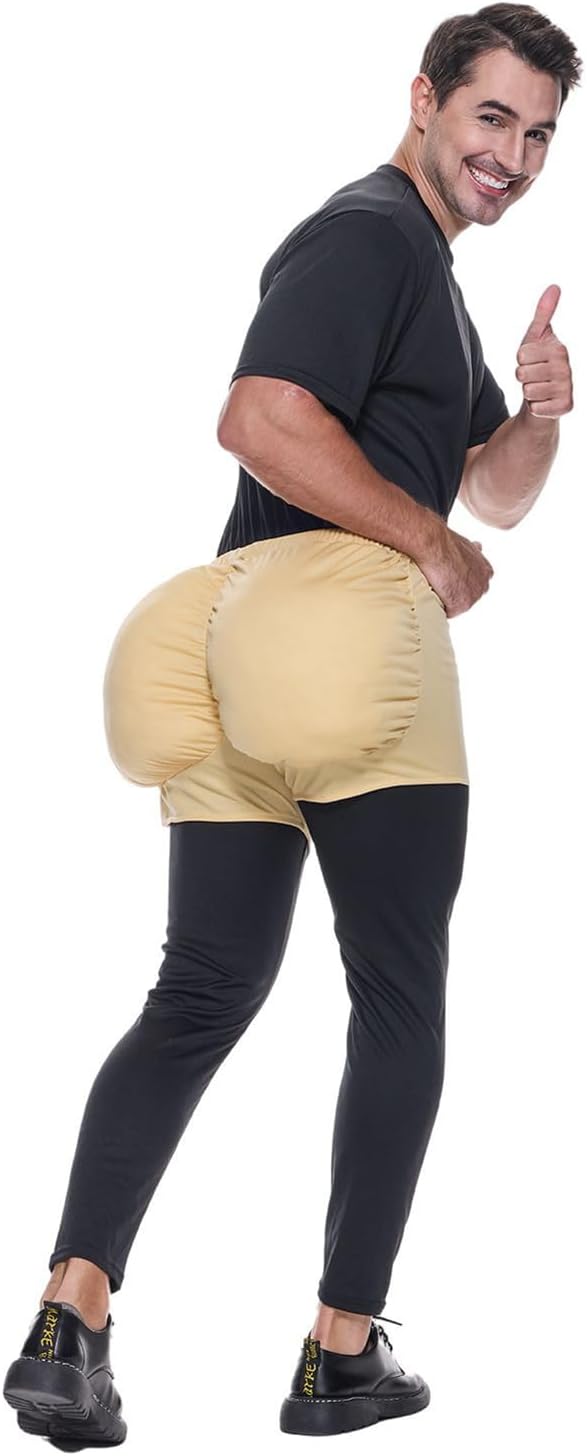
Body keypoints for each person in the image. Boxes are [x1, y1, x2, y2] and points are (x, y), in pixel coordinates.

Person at [3, 3, 580, 1446]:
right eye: (492, 117)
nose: (512, 156)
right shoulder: (369, 234)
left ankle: (71, 1322)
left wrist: (538, 414)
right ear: (424, 99)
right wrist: (428, 548)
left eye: (539, 136)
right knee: (399, 996)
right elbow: (258, 419)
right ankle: (341, 1353)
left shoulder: (427, 279)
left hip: (229, 646)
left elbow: (492, 490)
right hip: (339, 645)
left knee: (202, 990)